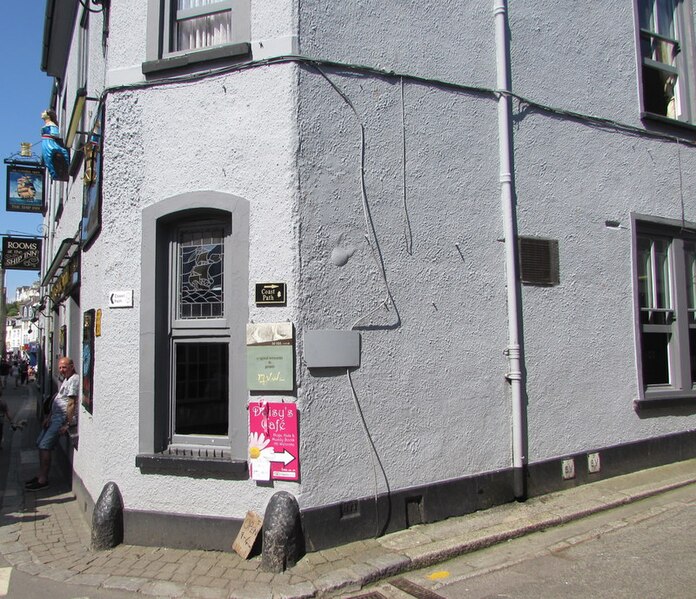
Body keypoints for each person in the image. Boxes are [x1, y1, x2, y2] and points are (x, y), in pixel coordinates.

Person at [25, 357, 78, 491]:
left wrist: (67, 423)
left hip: (60, 419)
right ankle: (40, 475)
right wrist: (49, 416)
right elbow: (57, 398)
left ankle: (43, 479)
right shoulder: (66, 379)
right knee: (40, 443)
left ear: (72, 366)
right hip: (54, 417)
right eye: (60, 367)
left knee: (45, 445)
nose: (61, 370)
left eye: (64, 367)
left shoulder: (74, 379)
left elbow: (71, 403)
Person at [41, 109, 70, 181]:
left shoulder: (51, 124)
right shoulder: (47, 125)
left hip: (49, 142)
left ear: (48, 115)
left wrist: (49, 135)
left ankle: (57, 172)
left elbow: (55, 134)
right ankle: (54, 173)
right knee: (47, 158)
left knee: (50, 155)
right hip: (45, 142)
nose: (41, 113)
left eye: (44, 112)